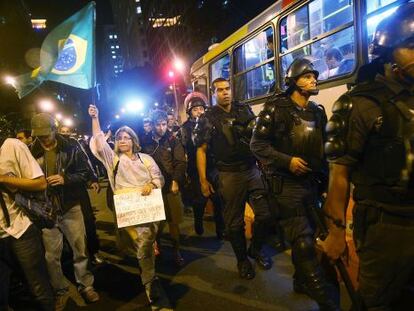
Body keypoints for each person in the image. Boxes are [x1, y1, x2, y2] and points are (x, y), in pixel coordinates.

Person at [320, 4, 414, 310]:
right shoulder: (360, 105)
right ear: (388, 53)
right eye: (410, 47)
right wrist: (335, 232)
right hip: (386, 229)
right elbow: (339, 174)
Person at [250, 58, 339, 310]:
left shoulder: (317, 112)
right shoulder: (275, 109)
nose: (314, 79)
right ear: (294, 82)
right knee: (303, 241)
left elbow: (323, 146)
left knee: (312, 230)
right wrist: (287, 161)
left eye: (314, 76)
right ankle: (327, 301)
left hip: (312, 184)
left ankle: (300, 281)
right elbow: (257, 145)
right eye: (308, 76)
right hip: (285, 186)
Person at [88, 105, 170, 309]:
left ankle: (149, 273)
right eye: (119, 138)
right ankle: (151, 285)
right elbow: (98, 142)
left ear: (134, 140)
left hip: (149, 210)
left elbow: (158, 178)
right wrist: (96, 118)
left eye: (126, 137)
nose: (122, 141)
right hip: (129, 212)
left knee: (145, 246)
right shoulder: (113, 160)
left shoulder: (146, 159)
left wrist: (151, 185)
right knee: (143, 248)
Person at [195, 78, 272, 280]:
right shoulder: (207, 118)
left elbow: (258, 138)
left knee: (265, 214)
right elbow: (201, 151)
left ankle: (255, 249)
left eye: (227, 88)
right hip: (228, 174)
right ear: (214, 93)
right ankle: (242, 261)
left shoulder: (244, 110)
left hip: (251, 169)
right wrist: (203, 180)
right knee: (235, 223)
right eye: (220, 90)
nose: (225, 93)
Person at [30, 113, 99, 311]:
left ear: (54, 128)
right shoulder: (30, 150)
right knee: (51, 256)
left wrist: (65, 179)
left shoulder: (71, 145)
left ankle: (86, 285)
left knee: (80, 248)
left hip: (70, 206)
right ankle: (60, 291)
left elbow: (85, 171)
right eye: (39, 135)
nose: (43, 139)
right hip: (46, 210)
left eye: (46, 133)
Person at [0, 131, 54, 311]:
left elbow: (40, 183)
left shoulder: (11, 146)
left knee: (37, 288)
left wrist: (2, 178)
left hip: (19, 228)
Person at [141, 109, 187, 266]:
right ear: (152, 125)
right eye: (157, 124)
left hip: (169, 187)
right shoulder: (144, 141)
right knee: (156, 222)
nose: (161, 128)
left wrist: (176, 181)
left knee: (174, 221)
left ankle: (176, 250)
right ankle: (156, 244)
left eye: (164, 124)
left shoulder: (173, 140)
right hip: (152, 188)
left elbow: (180, 162)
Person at [180, 92, 224, 238]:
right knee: (200, 200)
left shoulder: (210, 123)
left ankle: (220, 229)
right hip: (195, 168)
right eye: (195, 109)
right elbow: (189, 145)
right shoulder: (186, 127)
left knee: (218, 199)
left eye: (201, 108)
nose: (199, 111)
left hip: (213, 167)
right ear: (190, 112)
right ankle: (198, 221)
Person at [58, 125, 103, 265]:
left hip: (78, 189)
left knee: (88, 221)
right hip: (59, 194)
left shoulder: (74, 144)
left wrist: (93, 178)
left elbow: (85, 161)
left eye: (67, 132)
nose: (64, 135)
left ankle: (93, 252)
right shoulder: (45, 147)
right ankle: (72, 255)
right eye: (62, 132)